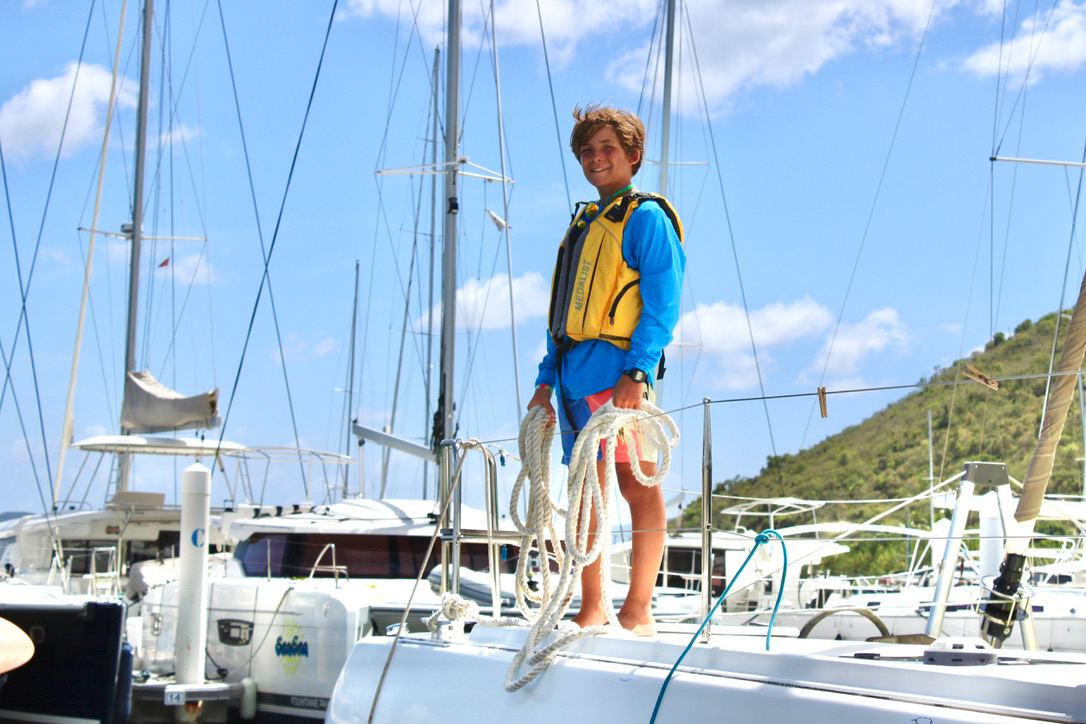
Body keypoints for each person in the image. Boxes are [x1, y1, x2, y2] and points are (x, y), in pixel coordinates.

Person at [528, 104, 685, 635]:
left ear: (632, 157)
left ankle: (637, 609)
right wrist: (544, 383)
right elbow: (562, 315)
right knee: (584, 490)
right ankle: (591, 607)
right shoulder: (583, 225)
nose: (596, 158)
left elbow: (663, 305)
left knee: (634, 485)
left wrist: (638, 373)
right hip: (572, 378)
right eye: (587, 150)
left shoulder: (645, 218)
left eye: (607, 149)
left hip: (619, 376)